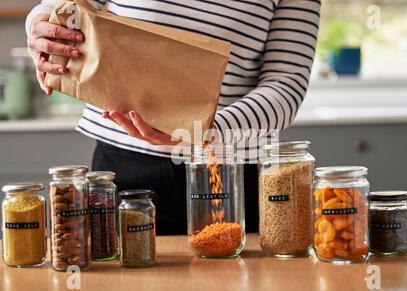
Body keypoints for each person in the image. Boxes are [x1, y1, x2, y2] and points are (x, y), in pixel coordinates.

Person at [26, 0, 321, 235]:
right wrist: (40, 24)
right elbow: (64, 9)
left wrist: (205, 130)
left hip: (225, 167)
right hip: (123, 165)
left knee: (232, 285)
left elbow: (285, 84)